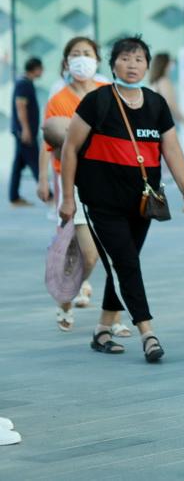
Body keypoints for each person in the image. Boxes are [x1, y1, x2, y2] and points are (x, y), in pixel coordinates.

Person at [59, 36, 184, 363]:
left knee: (122, 265)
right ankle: (147, 332)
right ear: (113, 64)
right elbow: (69, 148)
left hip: (141, 203)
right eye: (125, 58)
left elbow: (172, 149)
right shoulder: (98, 101)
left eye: (139, 59)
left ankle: (102, 330)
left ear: (147, 66)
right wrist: (68, 197)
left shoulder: (155, 105)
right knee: (126, 263)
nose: (132, 65)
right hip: (101, 202)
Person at [38, 37, 121, 333]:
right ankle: (68, 292)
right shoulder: (58, 99)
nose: (81, 59)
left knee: (97, 250)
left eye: (87, 54)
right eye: (75, 54)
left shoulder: (107, 92)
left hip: (106, 179)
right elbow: (48, 141)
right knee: (80, 246)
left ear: (98, 60)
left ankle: (77, 290)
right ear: (65, 62)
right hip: (70, 180)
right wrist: (44, 177)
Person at [9, 57, 43, 206]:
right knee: (36, 162)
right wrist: (25, 130)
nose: (42, 72)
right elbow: (20, 106)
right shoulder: (24, 83)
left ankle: (14, 197)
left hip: (24, 131)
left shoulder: (26, 82)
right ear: (35, 69)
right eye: (41, 68)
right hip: (25, 132)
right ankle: (49, 195)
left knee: (18, 165)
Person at [147, 53, 184, 134]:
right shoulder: (164, 82)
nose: (172, 65)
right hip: (163, 125)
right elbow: (171, 105)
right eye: (171, 62)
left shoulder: (154, 83)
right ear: (165, 64)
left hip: (153, 124)